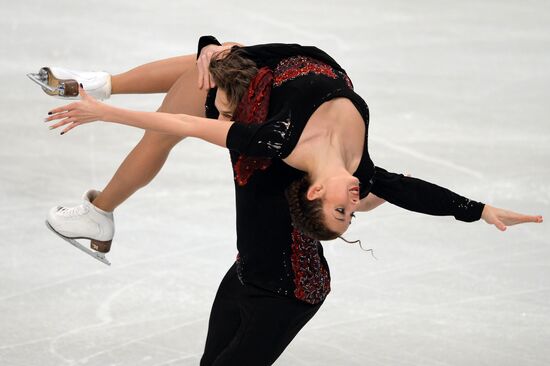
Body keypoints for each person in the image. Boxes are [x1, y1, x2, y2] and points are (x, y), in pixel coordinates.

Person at [39, 36, 542, 365]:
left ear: (317, 193)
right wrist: (479, 210)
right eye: (353, 209)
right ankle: (101, 110)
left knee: (200, 84)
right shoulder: (363, 170)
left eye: (342, 210)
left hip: (286, 276)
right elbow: (412, 192)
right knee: (210, 63)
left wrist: (104, 113)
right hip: (290, 64)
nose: (354, 201)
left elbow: (188, 124)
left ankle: (99, 185)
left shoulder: (276, 140)